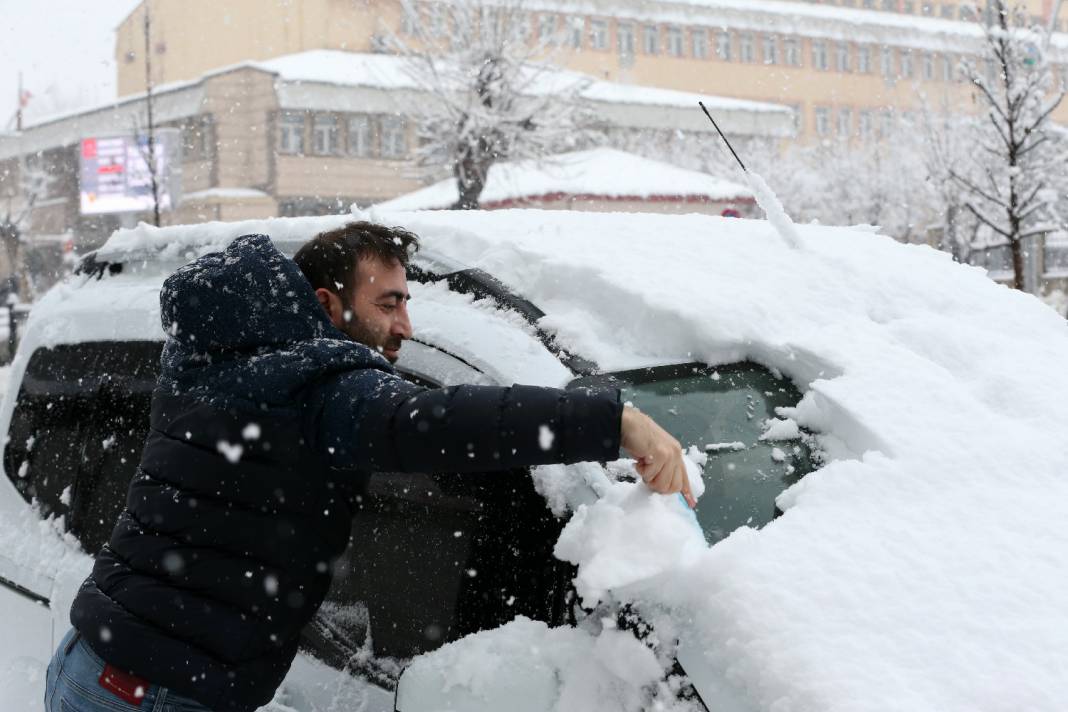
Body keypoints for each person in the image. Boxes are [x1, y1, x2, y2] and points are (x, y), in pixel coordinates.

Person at [44, 221, 692, 712]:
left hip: (95, 663)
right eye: (388, 304)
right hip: (157, 692)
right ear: (328, 306)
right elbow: (427, 425)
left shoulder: (222, 353)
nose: (406, 326)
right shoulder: (319, 387)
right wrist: (612, 422)